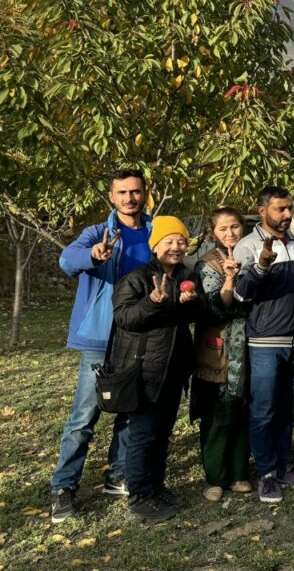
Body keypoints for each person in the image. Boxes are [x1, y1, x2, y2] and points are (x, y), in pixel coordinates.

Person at [50, 168, 153, 524]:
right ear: (111, 196)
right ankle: (63, 487)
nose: (129, 198)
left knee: (130, 407)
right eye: (122, 192)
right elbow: (66, 261)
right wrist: (93, 255)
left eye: (135, 191)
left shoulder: (155, 231)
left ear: (145, 193)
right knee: (84, 415)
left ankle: (118, 475)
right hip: (99, 336)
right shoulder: (97, 232)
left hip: (137, 333)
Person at [111, 216, 209, 522]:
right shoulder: (137, 279)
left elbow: (200, 313)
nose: (176, 247)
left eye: (181, 241)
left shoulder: (187, 276)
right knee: (143, 434)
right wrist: (152, 301)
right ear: (155, 246)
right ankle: (139, 495)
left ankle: (156, 487)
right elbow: (124, 318)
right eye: (169, 241)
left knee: (162, 433)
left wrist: (192, 302)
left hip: (174, 368)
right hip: (144, 368)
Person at [234, 186, 294, 504]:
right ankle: (266, 474)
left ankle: (285, 467)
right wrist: (261, 267)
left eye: (289, 209)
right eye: (280, 209)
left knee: (284, 410)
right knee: (263, 410)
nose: (287, 214)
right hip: (264, 341)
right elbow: (240, 295)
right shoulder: (247, 246)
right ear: (262, 210)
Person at [191, 207, 252, 502]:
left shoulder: (252, 256)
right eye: (223, 229)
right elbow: (217, 307)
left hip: (250, 344)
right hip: (220, 347)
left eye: (235, 226)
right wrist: (229, 279)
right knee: (217, 413)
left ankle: (240, 471)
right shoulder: (207, 264)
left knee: (243, 410)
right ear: (213, 233)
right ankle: (215, 477)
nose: (231, 233)